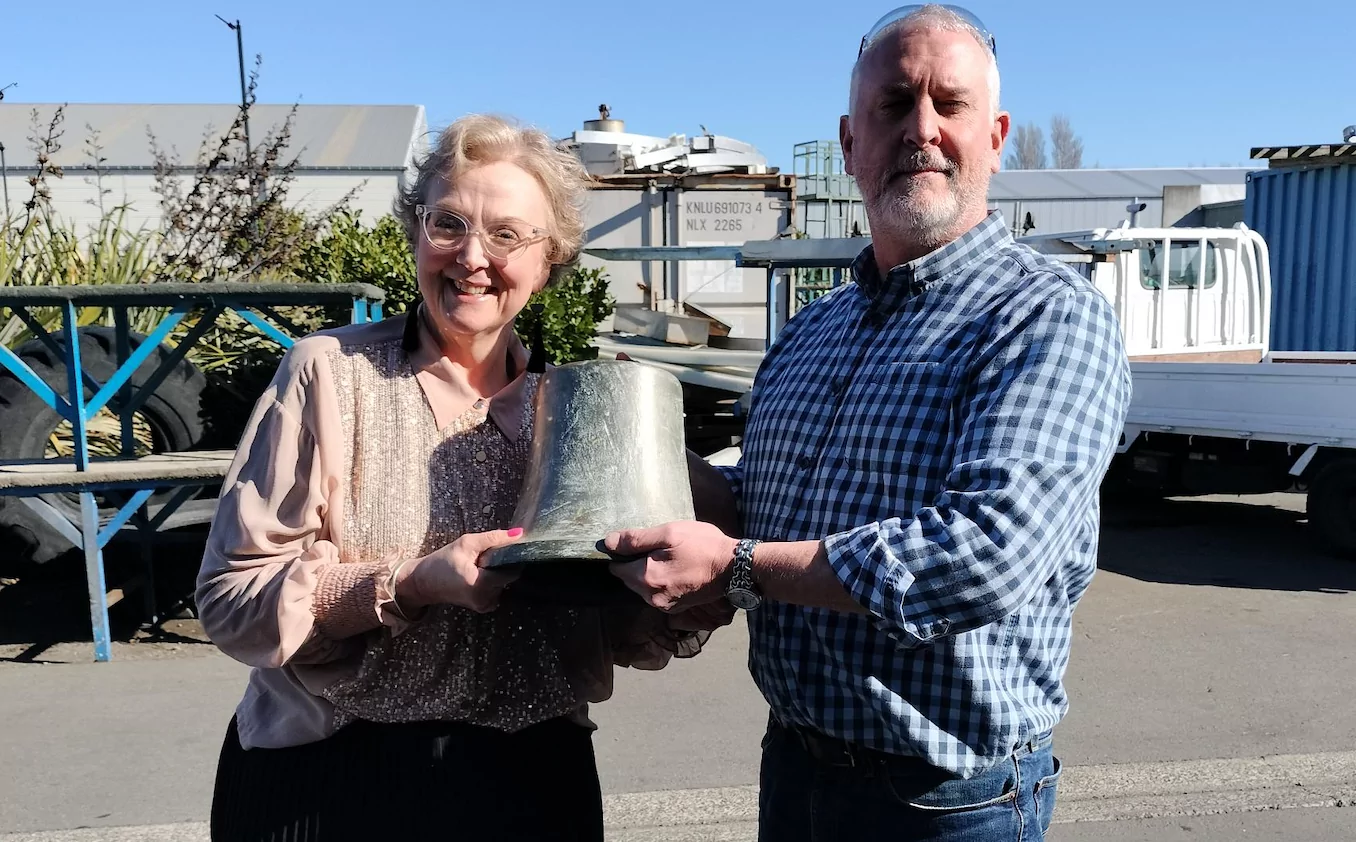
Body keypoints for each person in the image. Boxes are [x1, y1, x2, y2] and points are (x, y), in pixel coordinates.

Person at [605, 5, 1132, 841]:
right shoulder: (816, 329)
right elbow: (763, 500)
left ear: (994, 137)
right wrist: (635, 459)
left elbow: (985, 553)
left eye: (948, 104)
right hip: (796, 768)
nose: (921, 128)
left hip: (947, 804)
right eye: (892, 105)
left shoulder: (1044, 317)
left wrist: (738, 569)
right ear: (851, 144)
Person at [197, 113, 723, 842]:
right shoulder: (331, 375)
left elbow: (640, 625)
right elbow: (232, 601)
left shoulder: (582, 412)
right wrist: (407, 583)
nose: (472, 256)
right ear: (416, 233)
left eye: (507, 235)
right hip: (329, 780)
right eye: (447, 223)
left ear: (551, 260)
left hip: (531, 785)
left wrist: (688, 574)